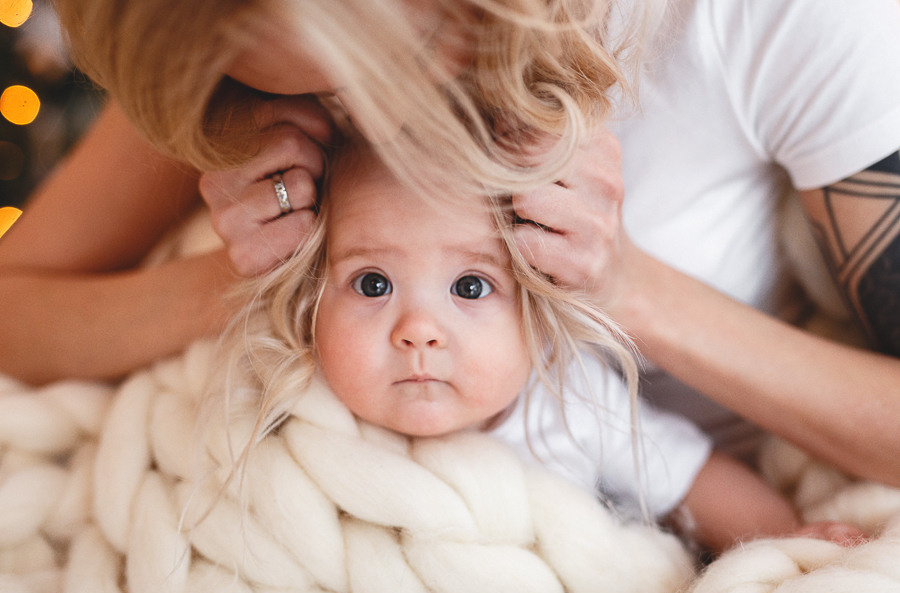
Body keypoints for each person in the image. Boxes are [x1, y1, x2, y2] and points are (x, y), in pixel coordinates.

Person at [1, 0, 898, 498]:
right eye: (319, 92)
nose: (374, 123)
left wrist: (629, 289)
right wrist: (259, 278)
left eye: (414, 58)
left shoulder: (790, 23)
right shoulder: (240, 35)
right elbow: (15, 308)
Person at [219, 134, 863, 553]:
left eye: (470, 287)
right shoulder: (300, 406)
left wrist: (788, 542)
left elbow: (694, 480)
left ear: (538, 305)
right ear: (312, 301)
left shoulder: (570, 400)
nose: (418, 328)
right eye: (372, 282)